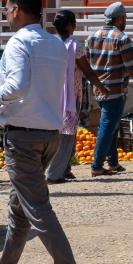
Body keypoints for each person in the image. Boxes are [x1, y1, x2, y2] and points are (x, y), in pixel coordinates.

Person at [0, 0, 90, 264]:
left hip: (23, 136)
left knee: (36, 207)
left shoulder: (18, 42)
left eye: (7, 8)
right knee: (19, 209)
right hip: (48, 135)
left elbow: (17, 84)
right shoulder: (54, 44)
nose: (6, 14)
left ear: (16, 10)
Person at [86, 2, 133, 177]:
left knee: (112, 126)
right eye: (125, 19)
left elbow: (86, 64)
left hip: (98, 90)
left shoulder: (92, 37)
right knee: (107, 127)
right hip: (115, 90)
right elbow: (132, 66)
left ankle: (113, 163)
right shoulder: (122, 38)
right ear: (120, 18)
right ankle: (97, 165)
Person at [46, 10, 107, 184]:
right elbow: (87, 71)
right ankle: (53, 174)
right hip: (70, 97)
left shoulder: (50, 43)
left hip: (52, 95)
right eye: (74, 23)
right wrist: (102, 88)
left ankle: (64, 170)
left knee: (61, 134)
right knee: (67, 136)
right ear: (69, 26)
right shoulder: (74, 46)